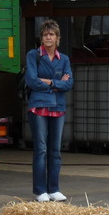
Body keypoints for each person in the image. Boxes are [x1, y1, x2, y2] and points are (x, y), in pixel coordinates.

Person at [25, 19, 73, 203]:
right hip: (38, 105)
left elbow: (69, 83)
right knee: (41, 149)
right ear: (41, 38)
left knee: (55, 150)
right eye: (45, 35)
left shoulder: (65, 59)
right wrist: (58, 83)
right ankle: (40, 191)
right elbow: (31, 80)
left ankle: (54, 189)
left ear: (58, 38)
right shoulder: (33, 55)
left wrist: (50, 82)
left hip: (58, 107)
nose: (48, 37)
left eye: (52, 34)